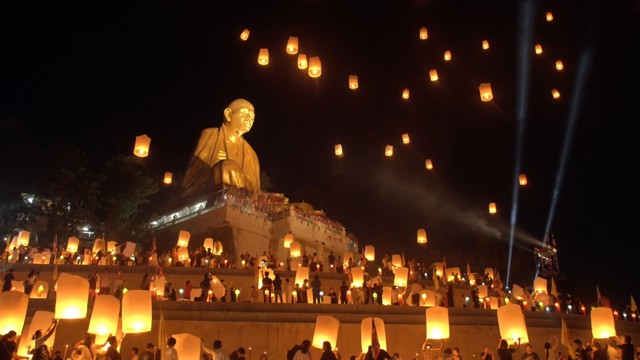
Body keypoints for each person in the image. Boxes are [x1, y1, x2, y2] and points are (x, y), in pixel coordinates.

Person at [182, 98, 260, 198]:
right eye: (245, 113)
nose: (250, 119)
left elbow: (255, 192)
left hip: (246, 203)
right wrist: (220, 170)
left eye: (252, 116)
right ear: (228, 114)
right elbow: (192, 178)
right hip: (209, 193)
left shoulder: (251, 154)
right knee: (228, 166)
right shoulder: (210, 135)